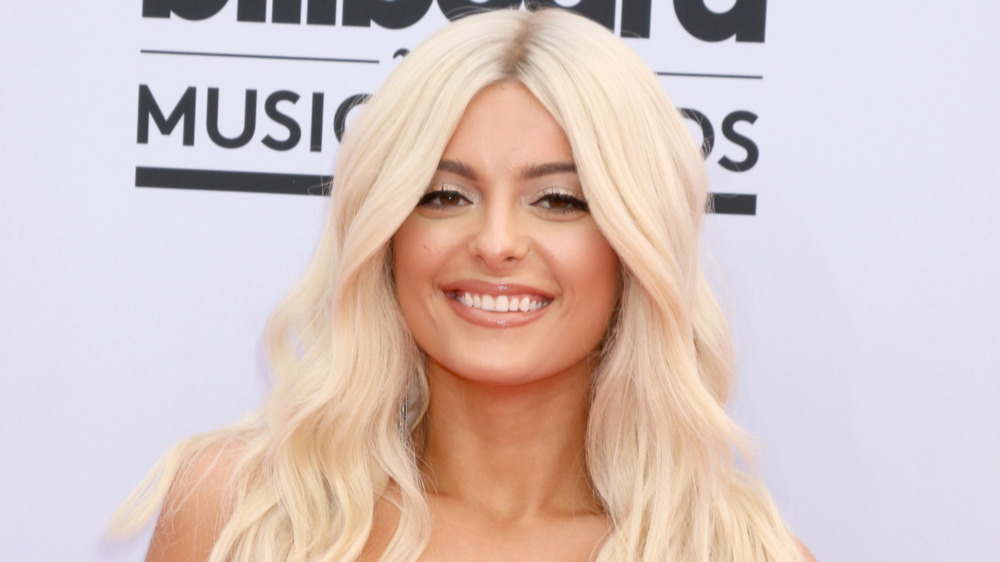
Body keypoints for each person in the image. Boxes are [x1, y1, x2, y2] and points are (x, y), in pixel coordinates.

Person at [114, 8, 815, 561]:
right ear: (387, 235)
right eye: (446, 196)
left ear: (635, 248)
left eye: (561, 200)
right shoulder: (242, 513)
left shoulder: (736, 554)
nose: (498, 243)